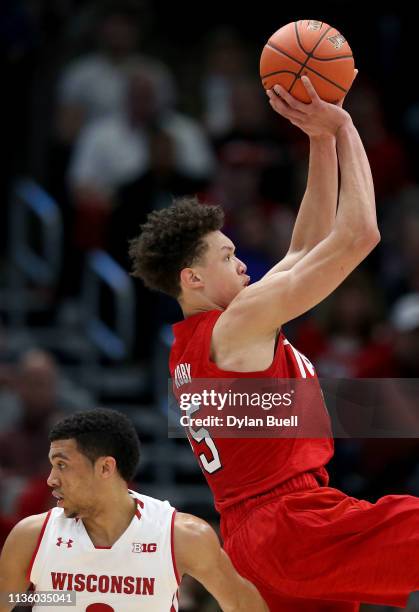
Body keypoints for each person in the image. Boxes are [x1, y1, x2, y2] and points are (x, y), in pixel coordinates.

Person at [129, 74, 419, 611]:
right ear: (192, 278)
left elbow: (303, 247)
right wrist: (346, 126)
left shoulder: (192, 346)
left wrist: (319, 141)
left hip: (253, 540)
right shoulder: (237, 324)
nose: (242, 263)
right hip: (292, 522)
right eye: (226, 256)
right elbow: (360, 235)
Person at [0, 408, 267, 612]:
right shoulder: (32, 536)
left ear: (105, 468)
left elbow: (244, 606)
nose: (51, 479)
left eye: (62, 465)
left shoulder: (181, 536)